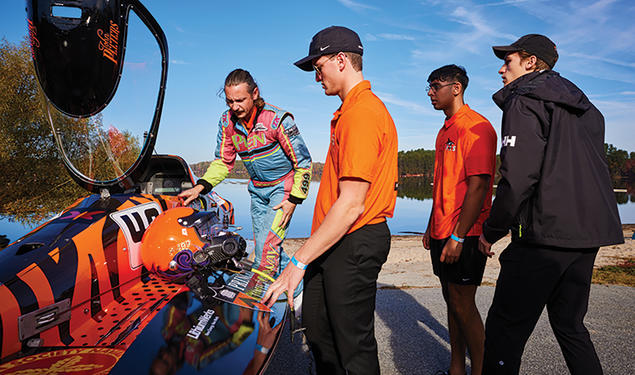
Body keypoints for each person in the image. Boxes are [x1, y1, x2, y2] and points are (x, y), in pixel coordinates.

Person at [478, 34, 624, 374]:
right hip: (586, 235)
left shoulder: (525, 99)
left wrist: (491, 230)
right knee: (570, 325)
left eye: (508, 61)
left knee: (504, 331)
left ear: (530, 62)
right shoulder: (587, 108)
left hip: (544, 236)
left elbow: (517, 178)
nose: (501, 69)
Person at [262, 26, 398, 375]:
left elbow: (353, 204)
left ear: (341, 60)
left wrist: (298, 261)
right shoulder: (349, 111)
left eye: (318, 67)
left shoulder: (362, 113)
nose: (316, 76)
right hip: (336, 238)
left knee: (352, 347)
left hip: (355, 239)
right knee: (319, 332)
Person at [180, 69, 312, 279]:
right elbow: (223, 162)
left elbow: (303, 163)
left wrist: (294, 199)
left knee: (267, 247)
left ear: (255, 93)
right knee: (263, 245)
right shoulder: (227, 122)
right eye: (230, 101)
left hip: (282, 190)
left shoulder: (278, 120)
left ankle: (264, 297)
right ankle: (300, 288)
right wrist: (200, 187)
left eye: (240, 100)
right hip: (257, 191)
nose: (235, 107)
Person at [423, 65, 496, 375]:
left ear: (456, 88)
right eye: (428, 87)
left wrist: (457, 236)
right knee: (452, 302)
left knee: (464, 305)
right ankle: (456, 367)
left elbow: (479, 187)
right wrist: (430, 225)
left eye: (435, 86)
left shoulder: (477, 126)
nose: (430, 92)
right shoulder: (445, 130)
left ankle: (480, 370)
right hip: (442, 231)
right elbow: (443, 183)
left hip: (463, 234)